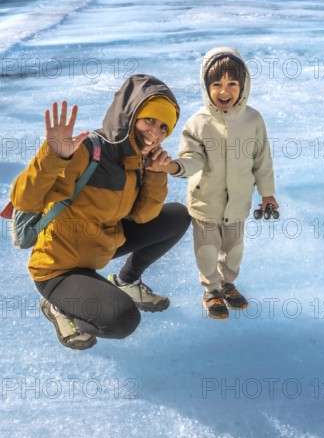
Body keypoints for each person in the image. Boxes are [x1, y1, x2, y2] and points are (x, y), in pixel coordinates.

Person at [10, 74, 191, 349]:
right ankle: (59, 306)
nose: (155, 133)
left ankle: (127, 281)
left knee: (177, 216)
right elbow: (24, 199)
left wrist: (155, 174)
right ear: (129, 115)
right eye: (150, 120)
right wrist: (53, 155)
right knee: (122, 319)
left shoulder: (137, 160)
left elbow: (143, 216)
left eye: (164, 127)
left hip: (99, 244)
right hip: (58, 267)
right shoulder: (85, 151)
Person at [149, 48, 279, 319]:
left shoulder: (253, 120)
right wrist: (173, 166)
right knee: (207, 252)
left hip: (238, 203)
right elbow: (192, 159)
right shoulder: (198, 122)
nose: (224, 91)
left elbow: (262, 160)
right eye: (217, 84)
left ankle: (228, 284)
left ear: (243, 86)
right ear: (206, 86)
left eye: (232, 83)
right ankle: (211, 290)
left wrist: (267, 194)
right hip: (205, 202)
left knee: (234, 251)